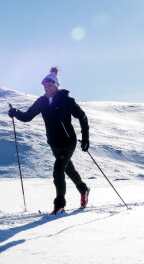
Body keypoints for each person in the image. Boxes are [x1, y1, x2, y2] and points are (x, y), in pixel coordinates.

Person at [9, 67, 90, 215]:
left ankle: (59, 206)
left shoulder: (66, 100)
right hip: (54, 143)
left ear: (56, 85)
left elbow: (83, 117)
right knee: (68, 169)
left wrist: (85, 138)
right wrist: (15, 113)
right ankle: (84, 190)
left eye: (49, 85)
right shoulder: (42, 102)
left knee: (58, 169)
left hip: (68, 142)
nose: (46, 88)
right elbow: (27, 117)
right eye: (44, 86)